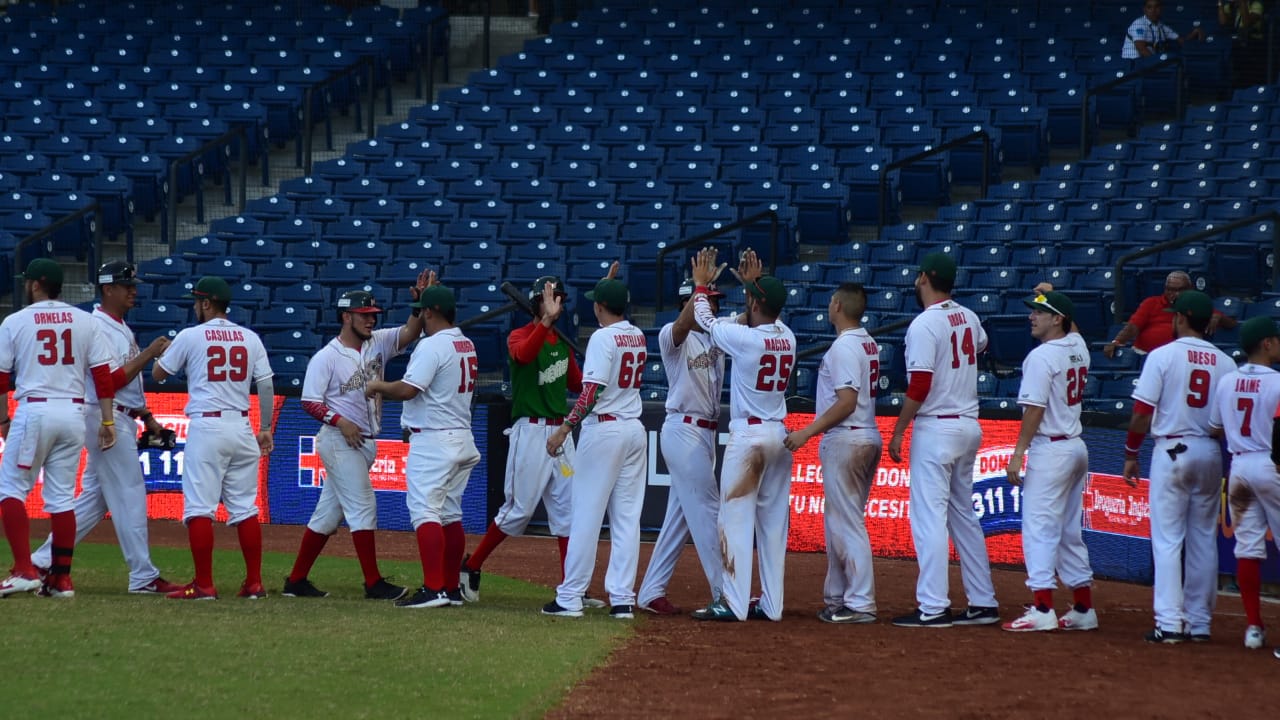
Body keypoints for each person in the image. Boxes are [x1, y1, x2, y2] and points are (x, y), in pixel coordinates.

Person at [29, 261, 181, 595]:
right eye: (127, 286)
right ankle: (143, 575)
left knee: (94, 502)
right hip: (104, 418)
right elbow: (109, 382)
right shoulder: (98, 326)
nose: (133, 291)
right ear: (107, 289)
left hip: (116, 414)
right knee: (130, 493)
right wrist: (150, 353)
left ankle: (40, 562)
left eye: (134, 285)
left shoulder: (117, 326)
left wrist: (147, 416)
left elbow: (126, 386)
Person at [282, 276, 431, 602]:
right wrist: (340, 421)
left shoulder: (378, 342)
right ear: (346, 316)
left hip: (363, 441)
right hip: (339, 440)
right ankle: (373, 583)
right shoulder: (327, 357)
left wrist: (419, 304)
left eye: (373, 314)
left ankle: (296, 581)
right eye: (363, 315)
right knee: (364, 507)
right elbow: (309, 401)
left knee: (326, 517)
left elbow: (410, 332)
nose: (370, 320)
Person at [888, 253, 1000, 628]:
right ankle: (983, 602)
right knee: (963, 516)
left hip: (937, 427)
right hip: (967, 423)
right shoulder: (969, 316)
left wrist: (900, 428)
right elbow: (982, 345)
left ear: (924, 278)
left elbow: (920, 384)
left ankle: (934, 606)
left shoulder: (924, 323)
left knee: (929, 518)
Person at [687, 248, 796, 623]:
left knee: (734, 519)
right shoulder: (788, 336)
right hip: (779, 434)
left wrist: (701, 287)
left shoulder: (747, 339)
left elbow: (705, 321)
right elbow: (759, 314)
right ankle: (773, 605)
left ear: (754, 303)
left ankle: (733, 603)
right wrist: (754, 287)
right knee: (773, 527)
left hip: (750, 436)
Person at [459, 276, 582, 604]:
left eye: (559, 298)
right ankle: (471, 565)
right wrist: (545, 323)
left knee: (569, 513)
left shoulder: (561, 341)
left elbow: (576, 382)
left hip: (561, 433)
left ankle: (571, 587)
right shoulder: (520, 335)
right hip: (530, 431)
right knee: (519, 510)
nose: (556, 303)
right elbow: (524, 356)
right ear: (536, 303)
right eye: (549, 297)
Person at [0, 258, 118, 598]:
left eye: (27, 281)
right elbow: (102, 377)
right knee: (62, 498)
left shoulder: (16, 321)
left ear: (36, 284)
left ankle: (24, 570)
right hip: (73, 412)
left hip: (36, 410)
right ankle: (61, 579)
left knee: (10, 490)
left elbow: (1, 378)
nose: (26, 286)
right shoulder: (85, 320)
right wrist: (108, 420)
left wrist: (3, 420)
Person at [153, 276, 275, 600]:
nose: (196, 306)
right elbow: (265, 384)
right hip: (242, 425)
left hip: (207, 427)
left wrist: (165, 353)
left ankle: (204, 584)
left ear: (207, 303)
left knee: (199, 508)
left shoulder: (191, 336)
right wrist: (265, 427)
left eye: (197, 301)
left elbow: (159, 374)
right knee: (245, 509)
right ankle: (254, 583)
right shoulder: (249, 337)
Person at [1122, 290, 1233, 643]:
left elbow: (1142, 413)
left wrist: (1131, 453)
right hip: (1210, 450)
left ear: (1181, 318)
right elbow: (1225, 422)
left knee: (1168, 539)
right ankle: (1199, 623)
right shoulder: (1226, 363)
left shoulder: (1162, 355)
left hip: (1172, 448)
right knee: (1203, 539)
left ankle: (1170, 622)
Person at [365, 283, 480, 609]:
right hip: (461, 434)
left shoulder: (432, 345)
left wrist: (376, 385)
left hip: (435, 439)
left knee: (425, 512)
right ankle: (450, 589)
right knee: (450, 515)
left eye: (423, 311)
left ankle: (434, 589)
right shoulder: (466, 342)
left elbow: (408, 389)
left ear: (429, 312)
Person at [542, 277, 648, 619]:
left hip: (604, 430)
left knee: (586, 515)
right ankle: (622, 600)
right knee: (627, 520)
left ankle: (570, 597)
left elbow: (591, 392)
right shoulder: (637, 334)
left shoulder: (602, 337)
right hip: (633, 428)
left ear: (599, 306)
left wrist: (564, 429)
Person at [784, 283, 882, 625]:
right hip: (864, 433)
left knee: (847, 523)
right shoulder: (867, 342)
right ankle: (838, 598)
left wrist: (807, 432)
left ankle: (861, 602)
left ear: (838, 305)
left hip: (847, 437)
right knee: (840, 521)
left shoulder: (844, 346)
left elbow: (846, 402)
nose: (828, 306)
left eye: (830, 301)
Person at [1001, 292, 1097, 632]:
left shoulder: (1041, 357)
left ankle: (1043, 608)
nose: (1032, 317)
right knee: (1069, 531)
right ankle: (1084, 608)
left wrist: (1018, 453)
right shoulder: (1078, 346)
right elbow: (1075, 329)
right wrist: (1053, 293)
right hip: (1075, 446)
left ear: (1058, 319)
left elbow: (1034, 410)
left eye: (1040, 312)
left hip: (1051, 448)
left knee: (1039, 529)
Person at [636, 278, 727, 616]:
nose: (713, 305)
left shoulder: (717, 332)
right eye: (707, 300)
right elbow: (683, 325)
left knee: (680, 517)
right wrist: (699, 289)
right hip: (684, 429)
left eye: (714, 300)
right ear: (690, 302)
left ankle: (651, 591)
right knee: (709, 512)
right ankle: (725, 592)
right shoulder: (671, 336)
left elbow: (748, 320)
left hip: (706, 433)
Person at [1208, 316, 1280, 651]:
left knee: (1248, 549)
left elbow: (1214, 428)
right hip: (1271, 464)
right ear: (1266, 343)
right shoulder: (1277, 382)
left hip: (1239, 466)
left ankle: (1253, 628)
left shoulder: (1227, 381)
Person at [1102, 272, 1236, 358]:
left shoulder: (1196, 304)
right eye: (1170, 290)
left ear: (1190, 289)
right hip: (1145, 356)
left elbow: (1232, 324)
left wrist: (1218, 317)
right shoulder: (1151, 303)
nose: (1174, 294)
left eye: (1180, 290)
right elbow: (1132, 327)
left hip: (1181, 359)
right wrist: (1117, 341)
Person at [1122, 0, 1205, 59]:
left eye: (1156, 7)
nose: (1153, 10)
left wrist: (1194, 33)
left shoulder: (1161, 26)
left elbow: (1181, 40)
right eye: (1149, 7)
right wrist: (1157, 64)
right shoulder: (1139, 23)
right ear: (1145, 10)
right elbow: (1141, 48)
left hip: (1147, 63)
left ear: (1161, 9)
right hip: (1133, 64)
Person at [1218, 0, 1269, 88]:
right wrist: (1220, 3)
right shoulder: (1231, 6)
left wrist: (1242, 2)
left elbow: (1247, 23)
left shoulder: (1256, 4)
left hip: (1253, 42)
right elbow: (1223, 22)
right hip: (1237, 42)